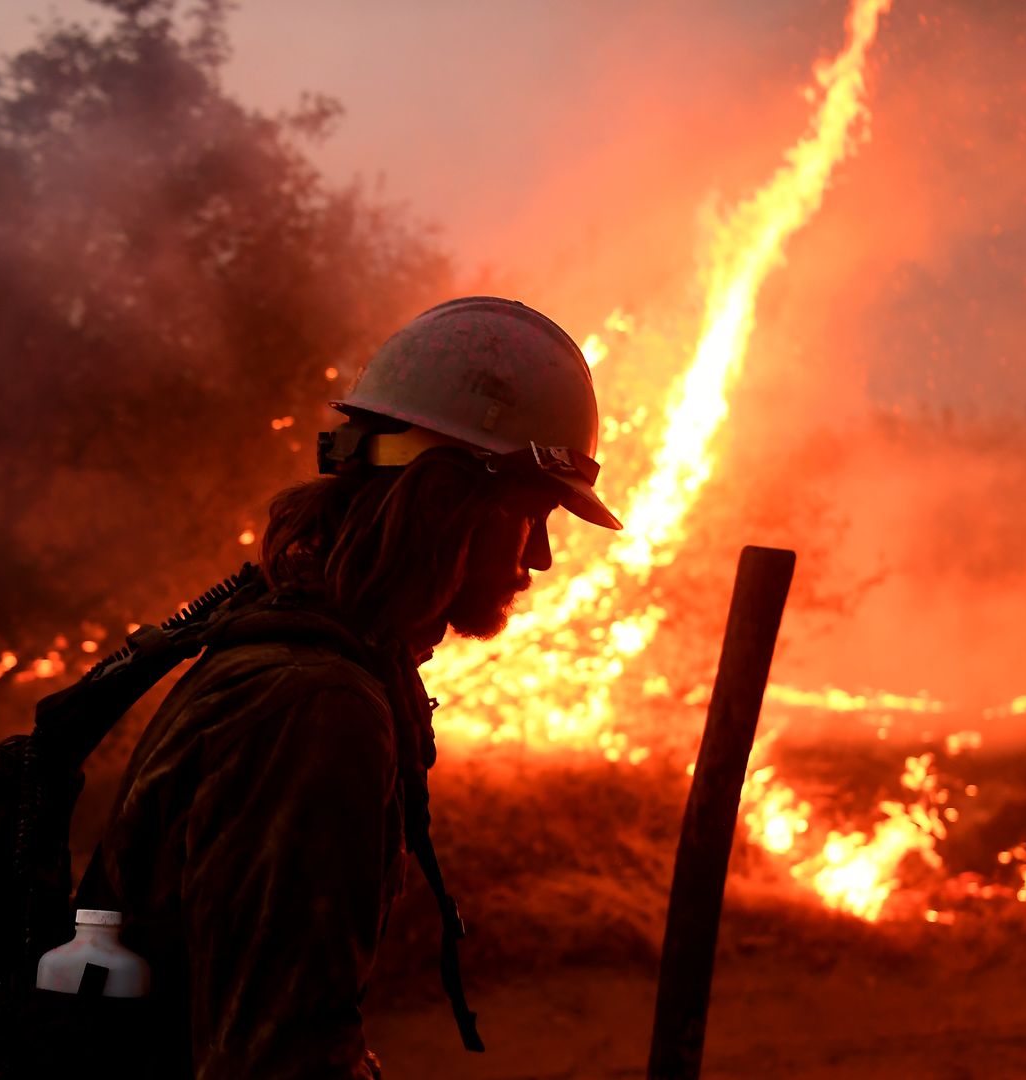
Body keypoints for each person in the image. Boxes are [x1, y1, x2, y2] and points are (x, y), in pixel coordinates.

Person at [82, 297, 623, 1077]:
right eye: (533, 514)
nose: (539, 558)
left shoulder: (297, 658)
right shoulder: (313, 714)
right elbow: (279, 1062)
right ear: (444, 504)